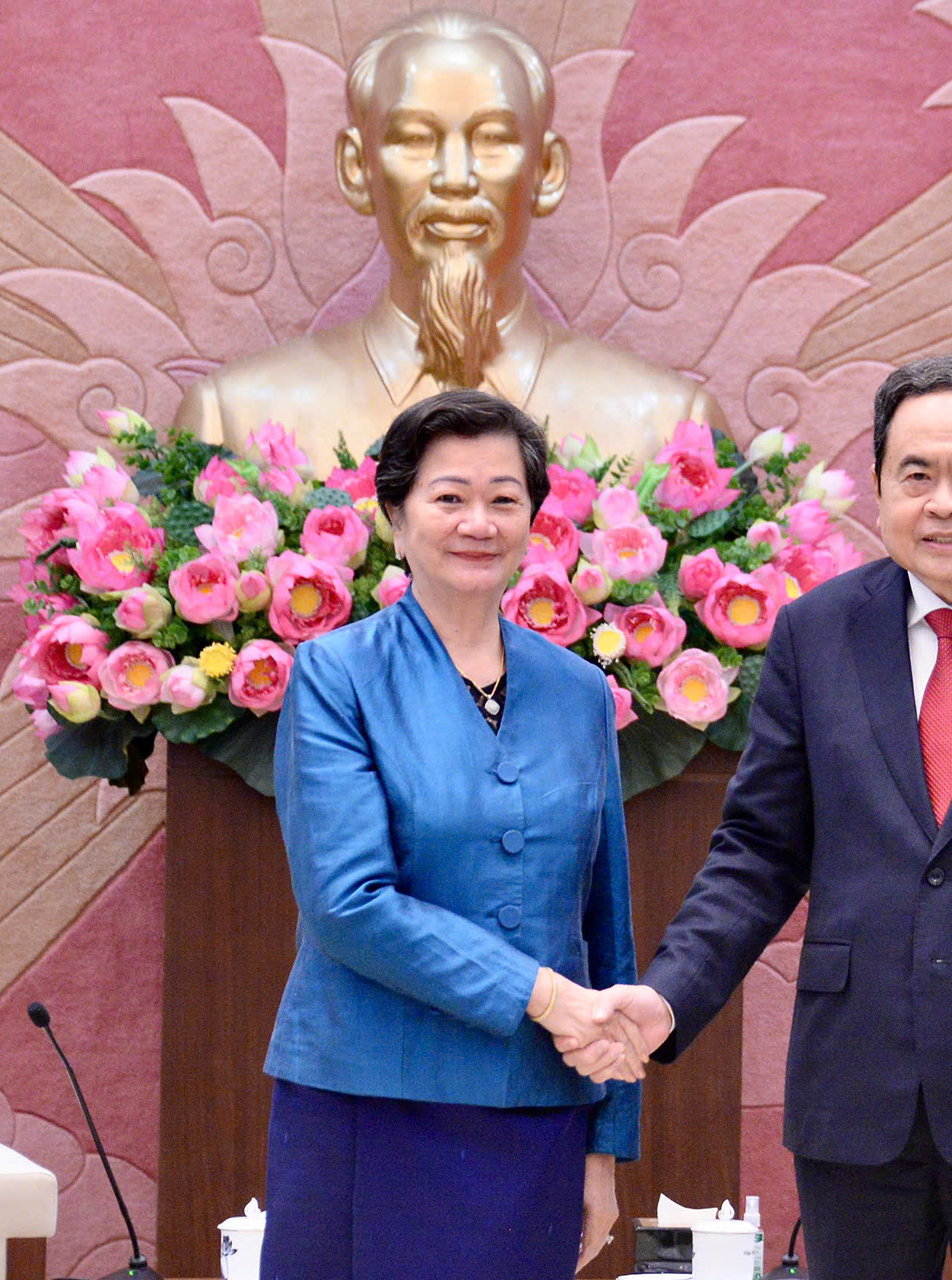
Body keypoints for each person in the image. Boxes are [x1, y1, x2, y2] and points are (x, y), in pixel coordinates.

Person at [565, 355, 952, 1280]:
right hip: (857, 1096)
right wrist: (667, 996)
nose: (944, 503)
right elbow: (757, 854)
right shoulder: (814, 633)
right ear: (880, 487)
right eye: (916, 475)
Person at [263, 388, 646, 1279]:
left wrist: (606, 1144)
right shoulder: (335, 674)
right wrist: (542, 996)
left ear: (533, 521)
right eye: (449, 497)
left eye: (504, 499)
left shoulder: (579, 691)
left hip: (538, 1105)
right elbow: (348, 904)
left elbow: (605, 921)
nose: (479, 522)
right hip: (369, 1099)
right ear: (395, 518)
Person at [174, 9, 726, 477]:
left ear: (547, 170)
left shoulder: (669, 428)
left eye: (493, 139)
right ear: (356, 168)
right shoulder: (233, 421)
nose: (456, 178)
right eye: (416, 139)